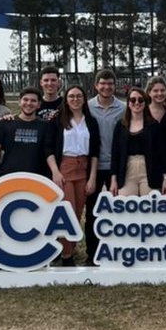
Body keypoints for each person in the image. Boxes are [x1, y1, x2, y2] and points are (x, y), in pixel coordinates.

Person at [45, 85, 99, 264]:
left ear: (84, 99)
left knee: (77, 213)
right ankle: (66, 256)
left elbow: (95, 152)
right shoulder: (57, 120)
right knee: (66, 212)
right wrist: (55, 171)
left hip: (83, 170)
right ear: (66, 100)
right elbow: (49, 148)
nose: (75, 99)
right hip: (64, 169)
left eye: (78, 96)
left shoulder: (90, 121)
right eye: (71, 97)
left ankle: (68, 249)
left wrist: (92, 178)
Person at [85, 69, 125, 263]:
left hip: (116, 166)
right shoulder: (86, 107)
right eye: (103, 83)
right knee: (93, 211)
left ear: (114, 86)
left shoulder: (124, 108)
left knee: (117, 210)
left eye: (110, 84)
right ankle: (92, 253)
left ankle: (117, 250)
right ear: (96, 85)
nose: (106, 87)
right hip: (91, 166)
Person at [110, 86, 166, 194]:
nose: (137, 103)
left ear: (145, 103)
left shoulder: (154, 125)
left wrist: (165, 178)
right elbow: (115, 153)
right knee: (126, 207)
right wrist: (113, 180)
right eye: (133, 100)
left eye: (140, 100)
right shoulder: (121, 125)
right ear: (128, 103)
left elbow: (162, 153)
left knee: (149, 207)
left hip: (149, 171)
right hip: (127, 170)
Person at [0, 87, 49, 181]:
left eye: (33, 101)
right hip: (9, 177)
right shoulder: (6, 123)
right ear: (19, 102)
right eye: (25, 99)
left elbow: (49, 153)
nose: (28, 103)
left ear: (39, 104)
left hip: (37, 179)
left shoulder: (45, 126)